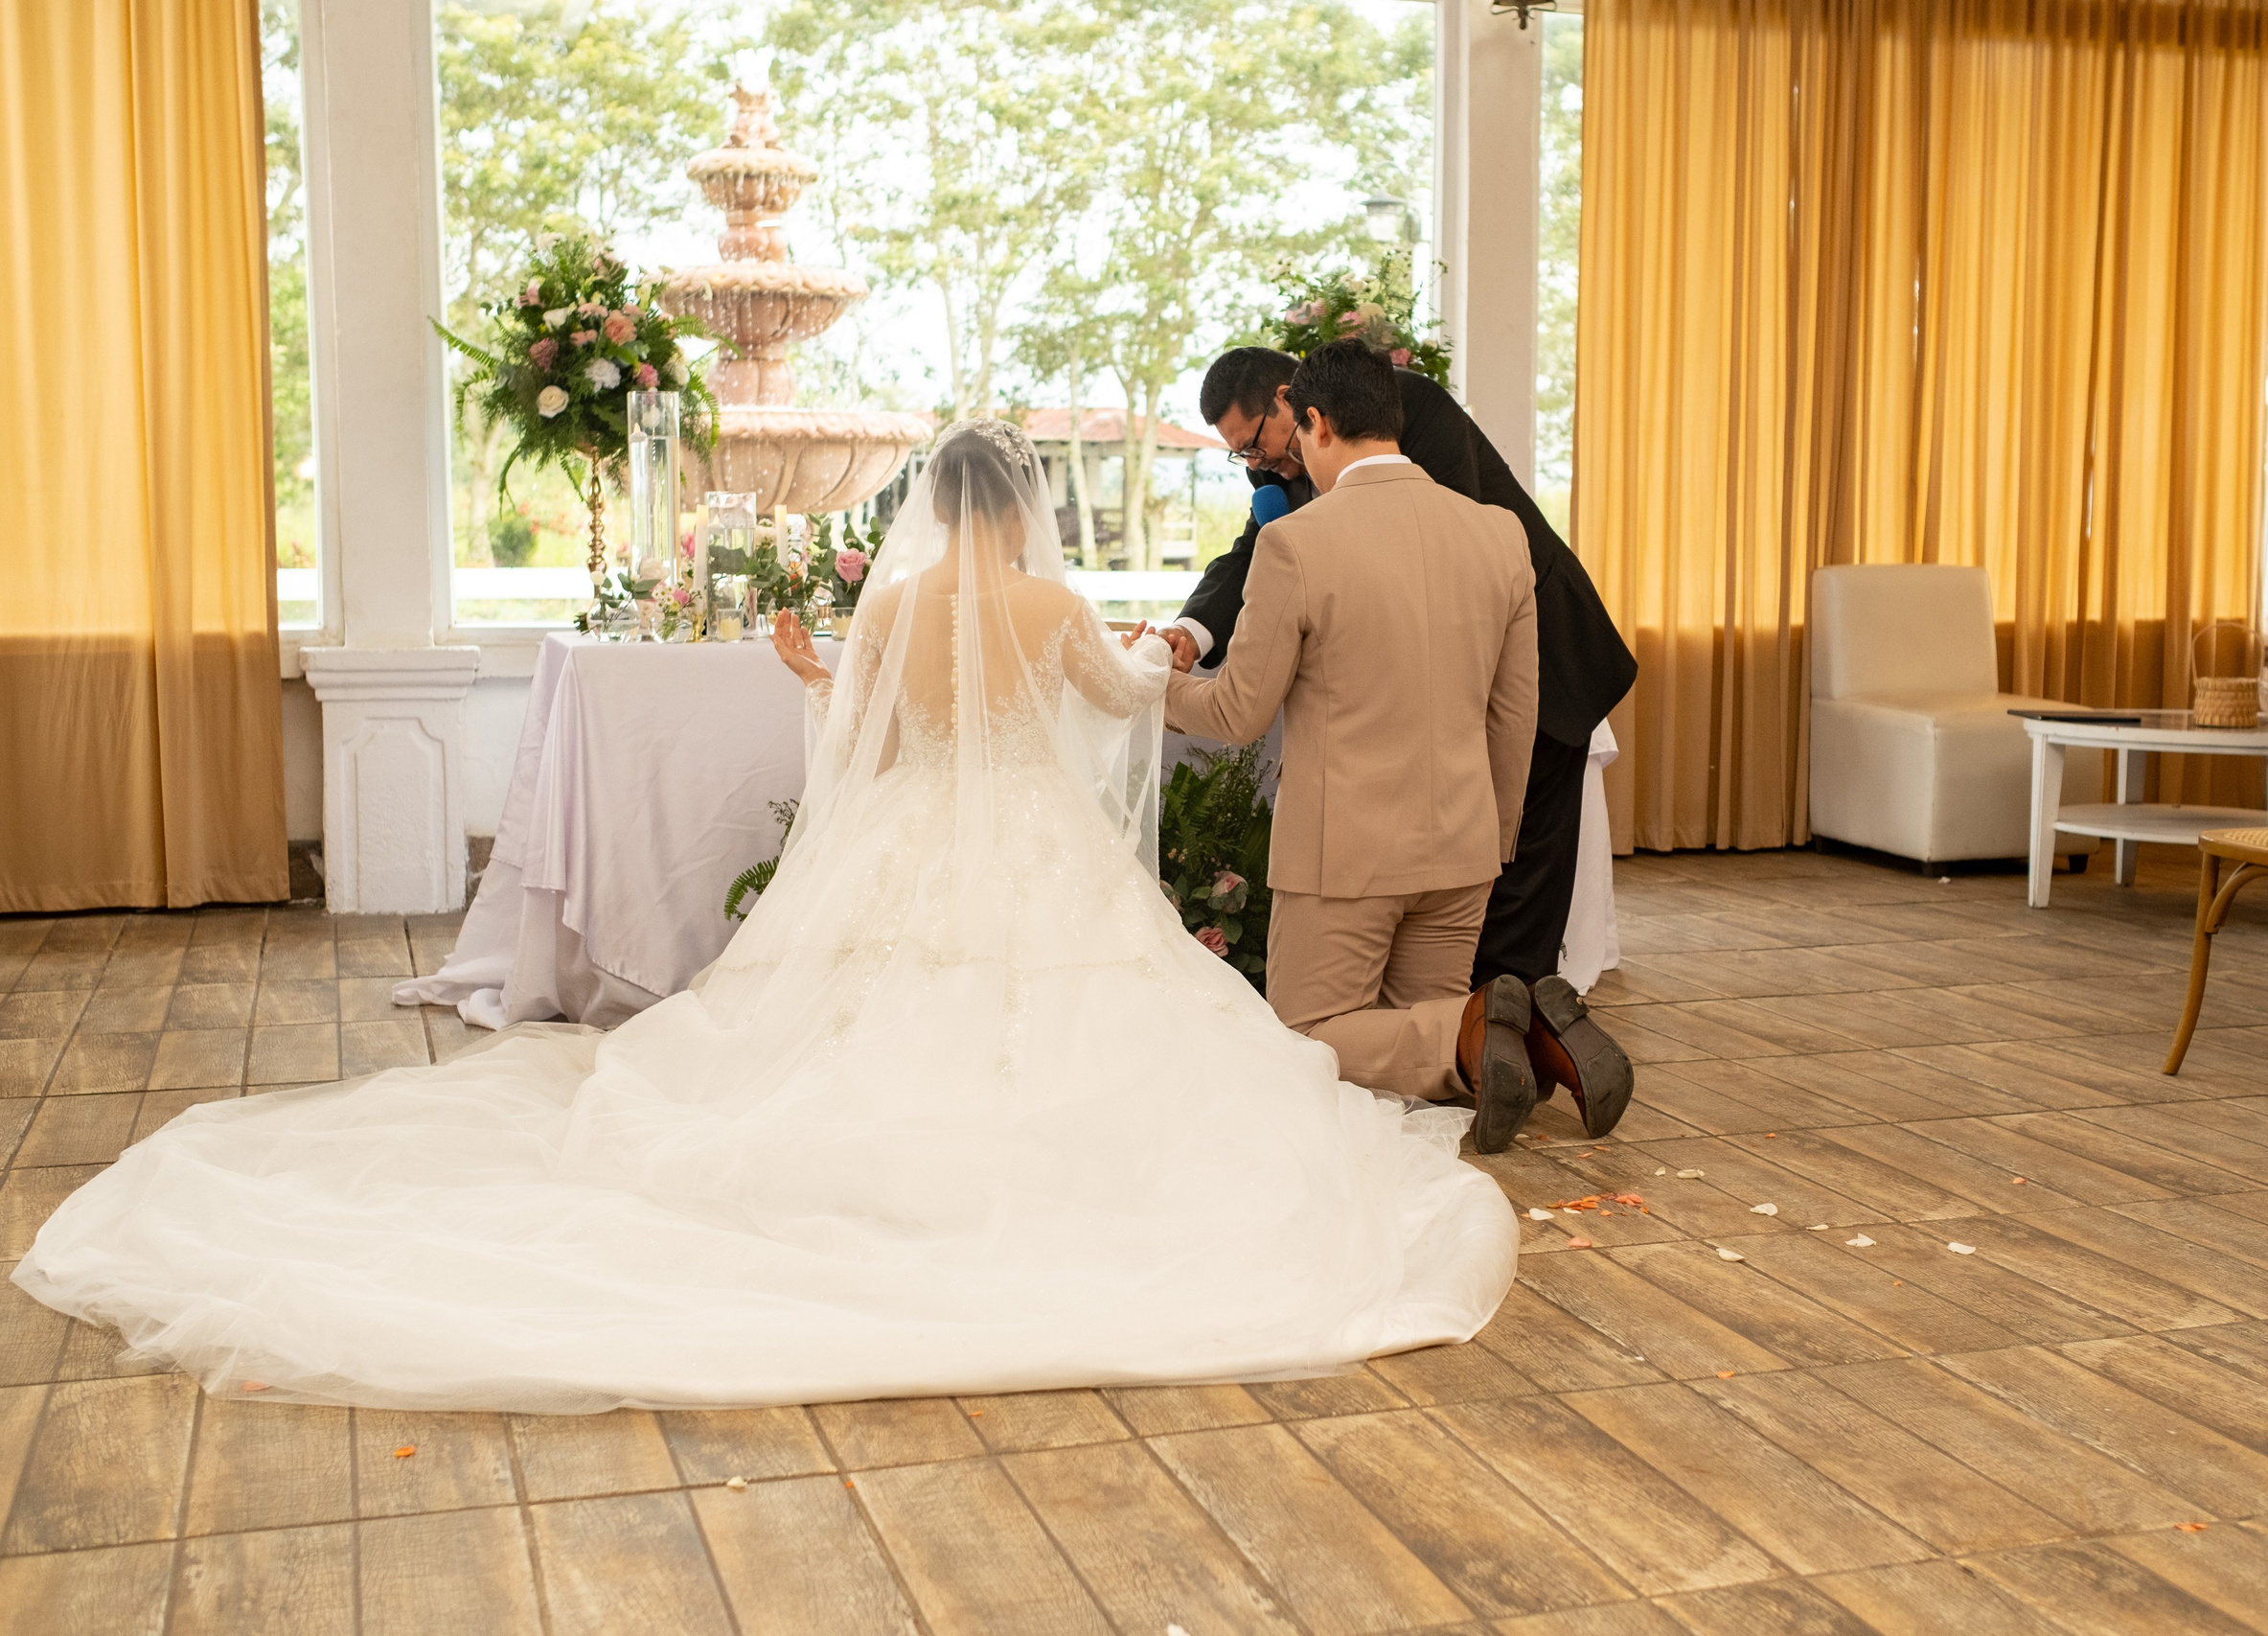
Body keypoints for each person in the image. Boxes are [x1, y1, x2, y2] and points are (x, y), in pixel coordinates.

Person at [12, 422, 1518, 1414]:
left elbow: (853, 728)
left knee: (860, 1015)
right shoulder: (1052, 611)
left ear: (937, 503)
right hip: (1037, 847)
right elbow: (1131, 709)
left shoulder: (894, 606)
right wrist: (1149, 647)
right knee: (1065, 1011)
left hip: (914, 842)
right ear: (1029, 513)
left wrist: (807, 667)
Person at [1166, 339, 1635, 1155]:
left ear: (1303, 413)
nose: (1257, 465)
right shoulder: (1491, 535)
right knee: (1425, 1017)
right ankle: (1513, 1031)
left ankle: (1485, 1026)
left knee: (1303, 1038)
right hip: (1458, 828)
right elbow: (1507, 715)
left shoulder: (1317, 528)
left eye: (1257, 444)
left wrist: (1151, 688)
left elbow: (1242, 709)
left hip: (1355, 839)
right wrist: (1489, 840)